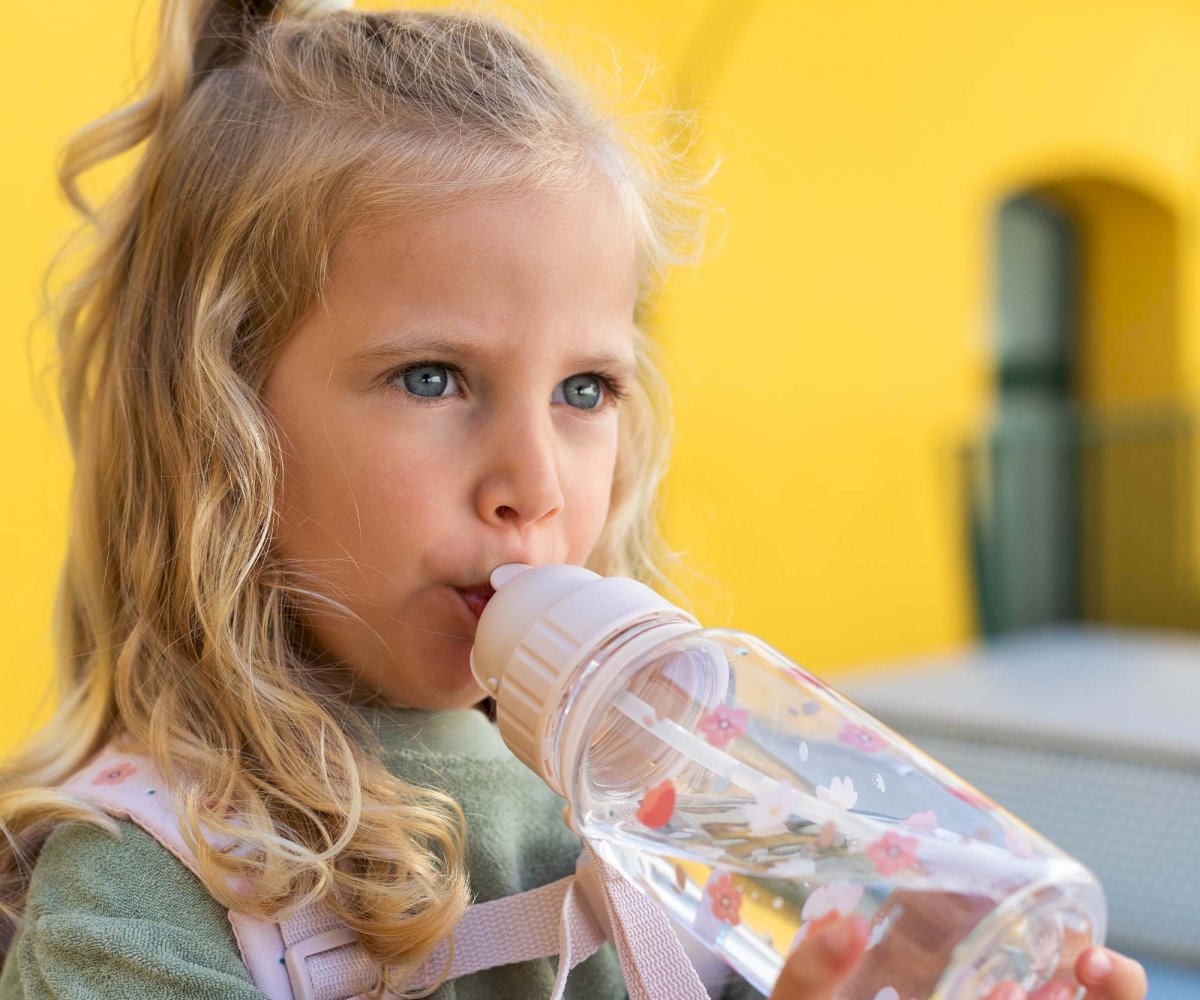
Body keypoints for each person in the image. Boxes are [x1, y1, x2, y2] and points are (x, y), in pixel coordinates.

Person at [0, 2, 1150, 999]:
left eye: (585, 389)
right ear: (222, 423)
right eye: (434, 377)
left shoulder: (671, 802)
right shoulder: (144, 893)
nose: (535, 485)